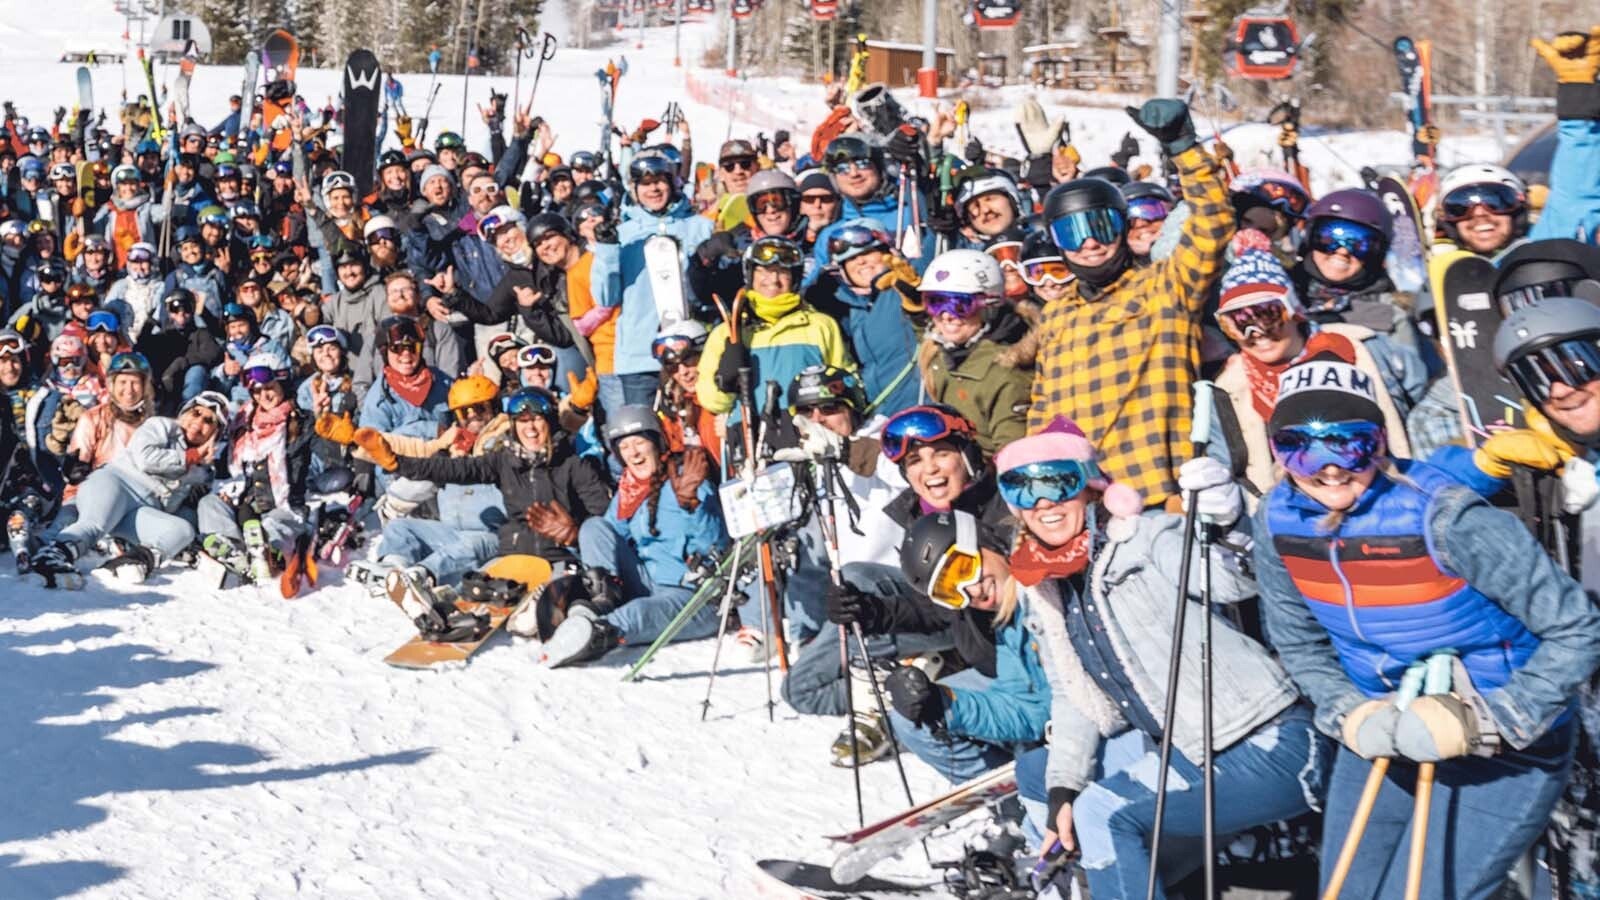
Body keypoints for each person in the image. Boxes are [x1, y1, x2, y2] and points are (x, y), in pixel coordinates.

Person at [1251, 347, 1600, 898]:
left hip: (1502, 744)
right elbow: (1297, 640)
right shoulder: (1276, 523)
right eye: (1300, 448)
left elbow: (1577, 627)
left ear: (1381, 442)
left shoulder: (1446, 517)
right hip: (1383, 723)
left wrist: (1497, 718)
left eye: (1351, 442)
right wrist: (1347, 710)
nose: (1330, 467)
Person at [993, 421, 1322, 896]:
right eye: (1021, 488)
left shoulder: (1145, 538)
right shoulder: (1046, 587)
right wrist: (1064, 787)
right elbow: (1072, 696)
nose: (1042, 501)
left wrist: (1228, 527)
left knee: (1102, 814)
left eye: (1057, 481)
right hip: (1186, 751)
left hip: (1264, 740)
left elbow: (1234, 580)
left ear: (1089, 485)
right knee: (1051, 785)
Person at [1030, 99, 1234, 508]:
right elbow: (1044, 408)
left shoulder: (1166, 287)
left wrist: (1183, 149)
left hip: (1157, 493)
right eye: (1073, 233)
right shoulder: (1057, 314)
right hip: (1082, 501)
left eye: (1100, 227)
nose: (1089, 243)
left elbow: (1212, 223)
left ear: (1122, 228)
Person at [352, 384, 610, 584]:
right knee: (474, 586)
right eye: (522, 421)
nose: (529, 428)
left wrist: (576, 533)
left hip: (550, 558)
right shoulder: (501, 460)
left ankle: (422, 575)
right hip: (512, 553)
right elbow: (443, 467)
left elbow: (604, 523)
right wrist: (397, 463)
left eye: (536, 419)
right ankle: (392, 571)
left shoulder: (573, 465)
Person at [1211, 247, 1412, 500]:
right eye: (1238, 323)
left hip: (1376, 493)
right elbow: (1229, 463)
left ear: (1293, 309)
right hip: (1289, 513)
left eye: (1268, 315)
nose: (1256, 333)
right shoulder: (1229, 387)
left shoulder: (1358, 347)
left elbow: (1418, 406)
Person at [540, 405, 726, 667]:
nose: (634, 453)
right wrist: (574, 538)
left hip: (693, 595)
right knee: (592, 527)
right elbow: (606, 541)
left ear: (657, 443)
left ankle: (595, 633)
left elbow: (716, 546)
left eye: (639, 443)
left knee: (636, 614)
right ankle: (599, 604)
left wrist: (693, 507)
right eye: (624, 447)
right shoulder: (629, 491)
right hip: (648, 583)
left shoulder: (687, 481)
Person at [873, 510, 1049, 787]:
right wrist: (940, 704)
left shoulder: (1048, 585)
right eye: (952, 592)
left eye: (963, 569)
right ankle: (1016, 794)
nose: (973, 591)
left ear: (985, 541)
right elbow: (1029, 712)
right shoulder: (1008, 625)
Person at [30, 393, 226, 583]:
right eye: (196, 413)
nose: (199, 423)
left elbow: (185, 509)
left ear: (216, 432)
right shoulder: (162, 426)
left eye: (209, 421)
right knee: (94, 524)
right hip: (116, 482)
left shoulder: (203, 471)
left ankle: (130, 561)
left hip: (142, 510)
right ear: (184, 413)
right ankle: (54, 554)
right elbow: (146, 458)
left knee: (183, 530)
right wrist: (190, 457)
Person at [696, 236, 853, 467]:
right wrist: (725, 382)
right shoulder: (729, 332)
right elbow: (712, 402)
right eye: (764, 271)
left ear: (796, 278)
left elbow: (846, 381)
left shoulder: (820, 325)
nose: (773, 280)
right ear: (750, 275)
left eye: (783, 272)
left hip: (812, 437)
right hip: (752, 440)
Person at [1291, 189, 1429, 415]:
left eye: (1360, 244)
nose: (1343, 250)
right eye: (1329, 237)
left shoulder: (1390, 313)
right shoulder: (1283, 294)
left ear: (1376, 253)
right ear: (1310, 238)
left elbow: (1416, 387)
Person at [605, 150, 714, 405]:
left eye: (659, 181)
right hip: (641, 355)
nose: (653, 189)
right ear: (634, 189)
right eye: (644, 183)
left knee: (696, 431)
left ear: (672, 182)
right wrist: (606, 250)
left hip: (692, 354)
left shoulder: (701, 227)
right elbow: (606, 297)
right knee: (645, 436)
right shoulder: (624, 234)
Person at [196, 351, 313, 569]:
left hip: (282, 506)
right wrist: (224, 486)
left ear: (283, 384)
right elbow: (226, 468)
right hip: (244, 504)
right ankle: (231, 549)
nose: (263, 395)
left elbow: (316, 462)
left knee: (275, 524)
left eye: (269, 388)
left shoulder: (303, 421)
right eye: (257, 391)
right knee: (209, 504)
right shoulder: (242, 421)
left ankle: (268, 553)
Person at [914, 249, 1031, 456]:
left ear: (990, 306)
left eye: (960, 305)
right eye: (935, 303)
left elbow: (1012, 453)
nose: (946, 316)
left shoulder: (1005, 372)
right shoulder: (944, 353)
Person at [815, 219, 921, 420]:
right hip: (876, 418)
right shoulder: (844, 309)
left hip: (919, 406)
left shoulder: (905, 286)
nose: (861, 262)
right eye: (851, 259)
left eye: (868, 253)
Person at [651, 322, 720, 463]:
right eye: (673, 366)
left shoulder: (726, 395)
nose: (683, 372)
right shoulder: (674, 407)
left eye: (689, 360)